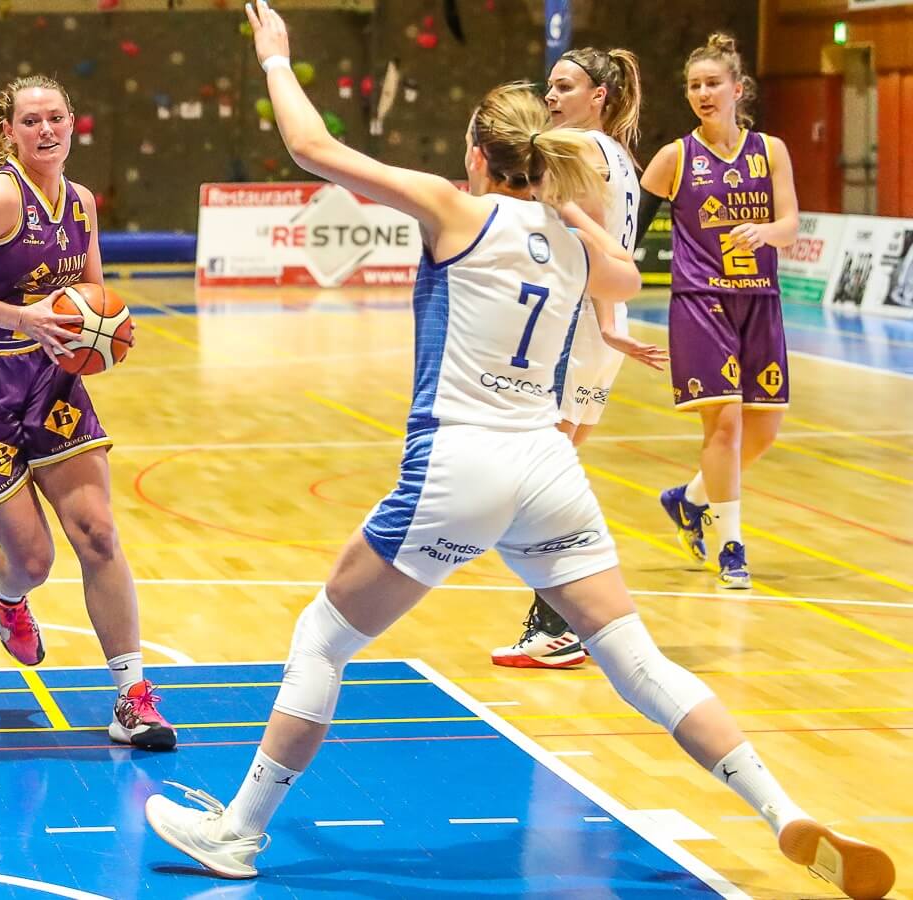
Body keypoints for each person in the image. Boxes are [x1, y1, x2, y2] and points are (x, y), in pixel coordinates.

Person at [143, 7, 895, 899]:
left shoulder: (455, 210)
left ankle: (238, 831)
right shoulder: (573, 241)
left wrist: (276, 60)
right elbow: (625, 274)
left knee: (322, 637)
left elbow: (313, 148)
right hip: (547, 468)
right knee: (638, 664)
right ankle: (781, 810)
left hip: (460, 463)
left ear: (477, 153)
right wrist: (580, 216)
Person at [0, 75, 176, 750]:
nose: (46, 130)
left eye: (55, 117)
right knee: (33, 559)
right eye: (31, 121)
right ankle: (8, 593)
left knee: (99, 533)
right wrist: (22, 317)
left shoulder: (80, 203)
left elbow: (90, 291)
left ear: (72, 122)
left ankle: (133, 699)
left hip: (47, 376)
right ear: (11, 133)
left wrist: (104, 331)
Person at [492, 45, 666, 669]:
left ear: (599, 96)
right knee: (551, 477)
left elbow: (586, 245)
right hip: (599, 327)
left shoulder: (576, 149)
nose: (551, 96)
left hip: (575, 324)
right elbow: (610, 247)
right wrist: (612, 327)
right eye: (550, 86)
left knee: (540, 482)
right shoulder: (619, 154)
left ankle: (563, 624)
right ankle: (564, 622)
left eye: (564, 87)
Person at [642, 33, 799, 589]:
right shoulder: (674, 157)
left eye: (713, 83)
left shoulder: (770, 150)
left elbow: (790, 225)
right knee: (726, 423)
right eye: (694, 86)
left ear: (738, 89)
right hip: (700, 300)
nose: (703, 93)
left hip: (760, 299)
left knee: (764, 430)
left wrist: (765, 232)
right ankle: (732, 546)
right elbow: (630, 224)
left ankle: (688, 499)